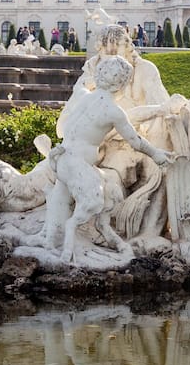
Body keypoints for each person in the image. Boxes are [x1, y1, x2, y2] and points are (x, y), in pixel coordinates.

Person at [43, 54, 174, 260]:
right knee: (95, 201)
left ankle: (54, 240)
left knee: (98, 196)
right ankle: (68, 249)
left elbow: (79, 95)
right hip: (76, 164)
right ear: (121, 84)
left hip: (62, 159)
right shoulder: (113, 111)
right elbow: (136, 141)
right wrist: (156, 154)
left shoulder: (86, 96)